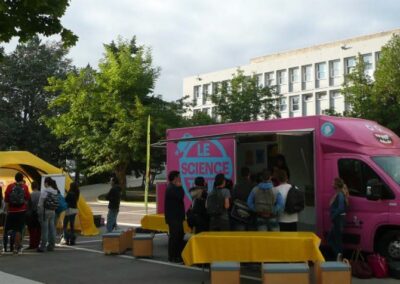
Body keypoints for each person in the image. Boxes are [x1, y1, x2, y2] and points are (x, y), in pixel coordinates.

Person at [4, 172, 31, 254]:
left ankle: (7, 247)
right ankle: (16, 248)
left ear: (15, 178)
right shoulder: (25, 187)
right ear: (22, 179)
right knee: (18, 230)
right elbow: (27, 198)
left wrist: (7, 210)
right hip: (21, 211)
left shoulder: (10, 186)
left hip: (11, 211)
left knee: (9, 229)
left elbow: (6, 200)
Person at [164, 171, 185, 263]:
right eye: (179, 177)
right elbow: (180, 196)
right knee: (175, 237)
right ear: (175, 178)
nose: (180, 178)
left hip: (176, 217)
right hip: (174, 218)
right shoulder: (171, 188)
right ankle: (173, 256)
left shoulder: (173, 187)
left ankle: (177, 255)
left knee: (179, 236)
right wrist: (180, 186)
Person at [328, 177, 349, 261]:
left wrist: (333, 216)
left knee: (335, 239)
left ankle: (339, 256)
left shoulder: (340, 195)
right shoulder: (338, 194)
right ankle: (338, 256)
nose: (331, 183)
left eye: (333, 182)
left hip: (338, 219)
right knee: (334, 238)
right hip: (338, 219)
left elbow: (341, 208)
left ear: (336, 185)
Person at [37, 177, 59, 252]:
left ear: (46, 183)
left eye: (44, 183)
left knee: (45, 230)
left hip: (45, 212)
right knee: (52, 229)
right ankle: (51, 246)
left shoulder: (44, 191)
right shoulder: (55, 191)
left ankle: (42, 247)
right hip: (53, 211)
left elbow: (40, 204)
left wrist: (39, 212)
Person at [26, 181, 41, 249]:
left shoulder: (30, 195)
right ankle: (37, 244)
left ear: (32, 187)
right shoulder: (41, 194)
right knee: (38, 230)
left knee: (32, 230)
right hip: (39, 213)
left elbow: (28, 205)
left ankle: (32, 244)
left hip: (32, 214)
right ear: (37, 186)